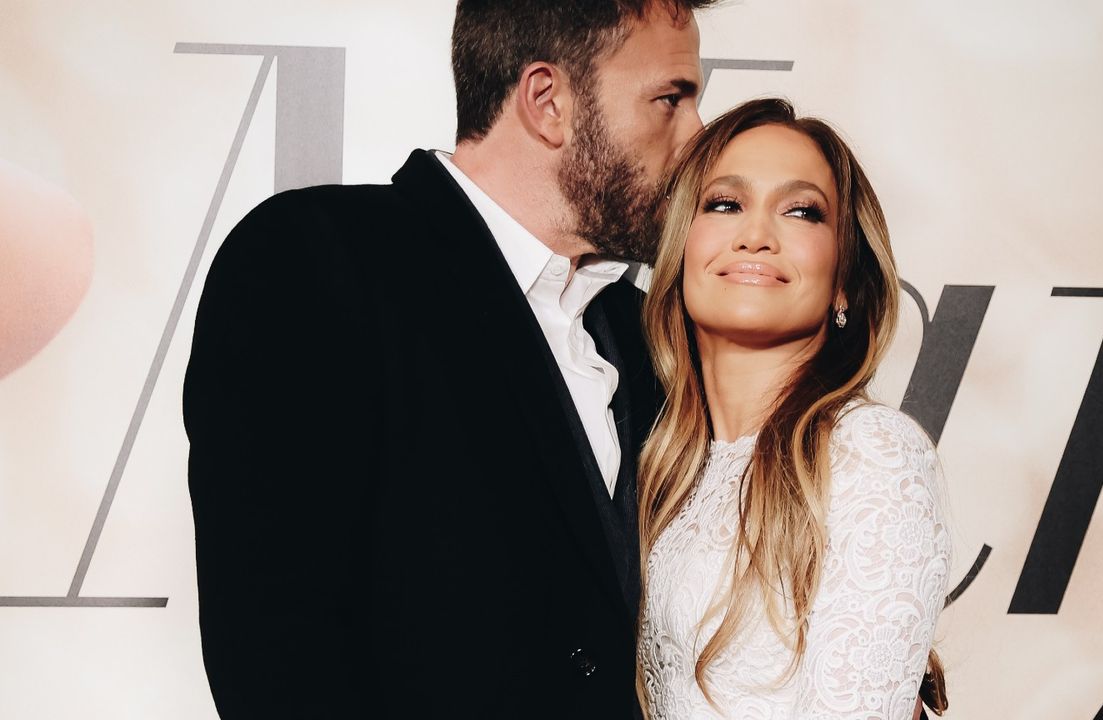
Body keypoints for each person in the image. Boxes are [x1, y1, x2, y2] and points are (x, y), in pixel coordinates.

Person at [183, 1, 715, 717]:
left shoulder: (645, 330)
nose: (699, 138)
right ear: (548, 103)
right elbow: (279, 652)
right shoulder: (313, 263)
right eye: (670, 100)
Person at [636, 98, 952, 719]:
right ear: (679, 248)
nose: (756, 234)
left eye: (802, 211)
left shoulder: (870, 452)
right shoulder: (662, 463)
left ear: (843, 281)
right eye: (725, 204)